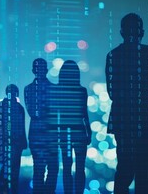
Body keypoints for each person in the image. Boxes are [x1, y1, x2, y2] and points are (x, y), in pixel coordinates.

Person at [105, 13, 148, 194]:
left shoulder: (113, 55)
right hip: (147, 123)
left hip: (124, 123)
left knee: (124, 170)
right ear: (142, 32)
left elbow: (112, 92)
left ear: (121, 32)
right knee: (145, 174)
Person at [53, 60, 91, 194]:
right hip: (80, 131)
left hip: (65, 133)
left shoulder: (58, 91)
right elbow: (84, 113)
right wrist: (89, 132)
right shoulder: (82, 90)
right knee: (80, 167)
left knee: (67, 166)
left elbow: (56, 114)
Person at [24, 58, 58, 194]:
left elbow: (33, 111)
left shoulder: (28, 89)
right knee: (49, 167)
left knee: (41, 168)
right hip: (48, 134)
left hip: (38, 134)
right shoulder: (54, 89)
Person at [0, 84, 27, 194]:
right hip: (8, 144)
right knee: (9, 172)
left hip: (11, 144)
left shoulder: (3, 106)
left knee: (10, 172)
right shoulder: (16, 108)